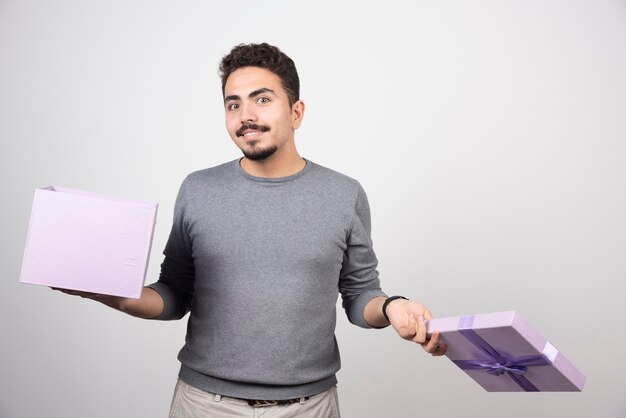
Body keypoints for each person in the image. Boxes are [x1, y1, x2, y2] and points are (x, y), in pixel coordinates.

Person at [57, 42, 447, 418]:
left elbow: (360, 296)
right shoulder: (198, 189)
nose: (245, 115)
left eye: (262, 99)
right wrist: (111, 295)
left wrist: (394, 305)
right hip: (203, 403)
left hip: (309, 405)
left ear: (296, 112)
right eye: (233, 103)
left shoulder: (344, 194)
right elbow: (174, 293)